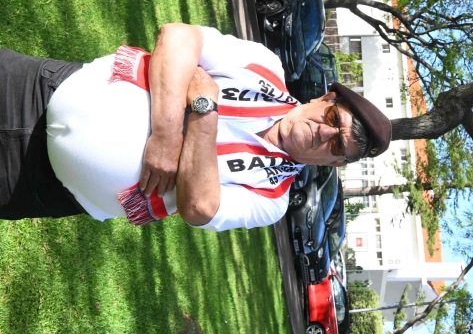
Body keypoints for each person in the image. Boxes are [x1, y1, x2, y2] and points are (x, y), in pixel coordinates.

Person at [0, 23, 391, 231]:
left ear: (333, 164)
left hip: (38, 186)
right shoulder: (263, 66)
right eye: (333, 120)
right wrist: (167, 135)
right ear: (325, 98)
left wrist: (204, 111)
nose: (325, 134)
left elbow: (200, 206)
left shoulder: (272, 198)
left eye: (337, 147)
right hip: (38, 88)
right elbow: (178, 38)